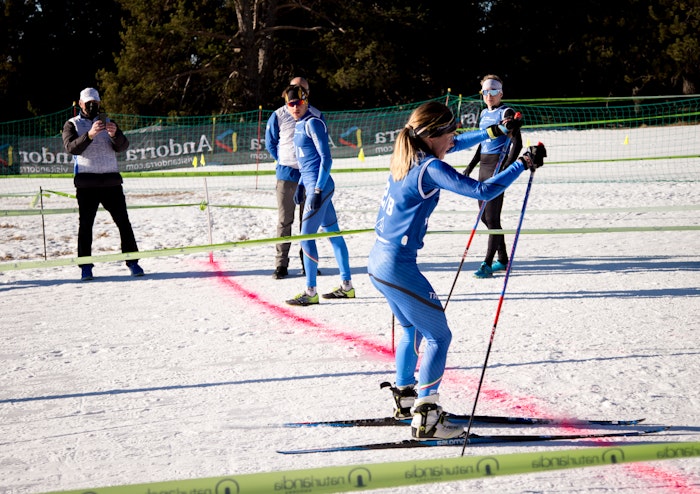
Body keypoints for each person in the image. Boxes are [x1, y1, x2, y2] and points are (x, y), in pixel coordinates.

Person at [368, 101, 545, 439]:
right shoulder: (430, 167)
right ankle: (428, 416)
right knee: (439, 336)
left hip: (379, 262)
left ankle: (406, 398)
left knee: (412, 329)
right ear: (432, 134)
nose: (455, 137)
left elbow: (459, 143)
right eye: (450, 131)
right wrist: (521, 163)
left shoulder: (408, 152)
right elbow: (482, 190)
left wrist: (495, 131)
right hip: (396, 265)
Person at [62, 87, 143, 281]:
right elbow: (71, 148)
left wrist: (115, 135)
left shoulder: (109, 122)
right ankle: (85, 266)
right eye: (88, 102)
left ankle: (133, 262)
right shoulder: (72, 124)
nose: (92, 106)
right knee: (86, 226)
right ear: (80, 103)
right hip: (87, 183)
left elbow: (123, 146)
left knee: (123, 223)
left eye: (95, 103)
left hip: (111, 182)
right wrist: (89, 135)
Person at [283, 84, 354, 306]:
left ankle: (311, 291)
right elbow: (306, 162)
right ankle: (347, 287)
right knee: (334, 234)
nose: (295, 107)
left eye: (298, 102)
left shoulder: (313, 123)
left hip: (320, 187)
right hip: (312, 184)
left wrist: (316, 189)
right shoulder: (298, 125)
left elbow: (326, 159)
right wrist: (301, 185)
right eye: (291, 104)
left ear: (306, 101)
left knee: (306, 237)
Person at [463, 75, 522, 278]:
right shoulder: (483, 113)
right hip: (483, 168)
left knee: (492, 218)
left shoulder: (506, 112)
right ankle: (503, 259)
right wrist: (471, 166)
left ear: (501, 93)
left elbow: (517, 143)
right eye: (486, 92)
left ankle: (487, 264)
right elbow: (482, 143)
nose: (489, 95)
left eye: (494, 91)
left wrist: (507, 167)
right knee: (485, 218)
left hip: (497, 168)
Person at [265, 76, 323, 279]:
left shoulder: (316, 115)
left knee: (307, 222)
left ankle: (308, 262)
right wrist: (284, 159)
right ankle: (281, 264)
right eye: (294, 88)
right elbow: (270, 143)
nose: (297, 92)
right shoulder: (278, 115)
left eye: (302, 89)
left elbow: (321, 146)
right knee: (284, 221)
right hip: (287, 175)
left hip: (309, 176)